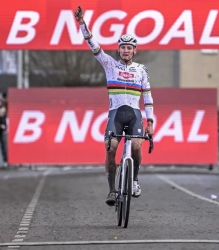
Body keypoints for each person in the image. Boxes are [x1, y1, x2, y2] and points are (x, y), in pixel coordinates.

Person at [74, 6, 154, 206]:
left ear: (135, 51)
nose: (126, 50)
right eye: (123, 47)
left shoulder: (141, 70)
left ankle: (134, 181)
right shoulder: (110, 64)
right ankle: (112, 191)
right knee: (111, 148)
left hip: (135, 114)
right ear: (119, 50)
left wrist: (150, 121)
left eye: (129, 48)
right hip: (115, 114)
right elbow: (93, 45)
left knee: (136, 146)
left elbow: (148, 96)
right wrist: (83, 24)